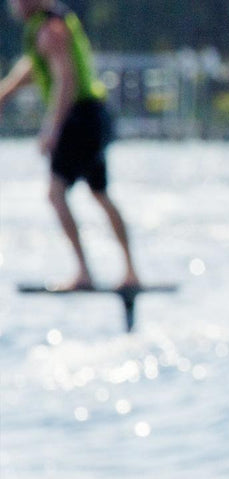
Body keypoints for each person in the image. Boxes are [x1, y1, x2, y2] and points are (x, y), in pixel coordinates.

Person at [0, 0, 138, 290]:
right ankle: (130, 272)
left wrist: (52, 129)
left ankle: (84, 273)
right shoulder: (48, 25)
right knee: (99, 193)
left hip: (78, 118)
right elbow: (35, 67)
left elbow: (66, 79)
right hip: (91, 116)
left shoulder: (51, 28)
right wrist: (5, 94)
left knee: (56, 193)